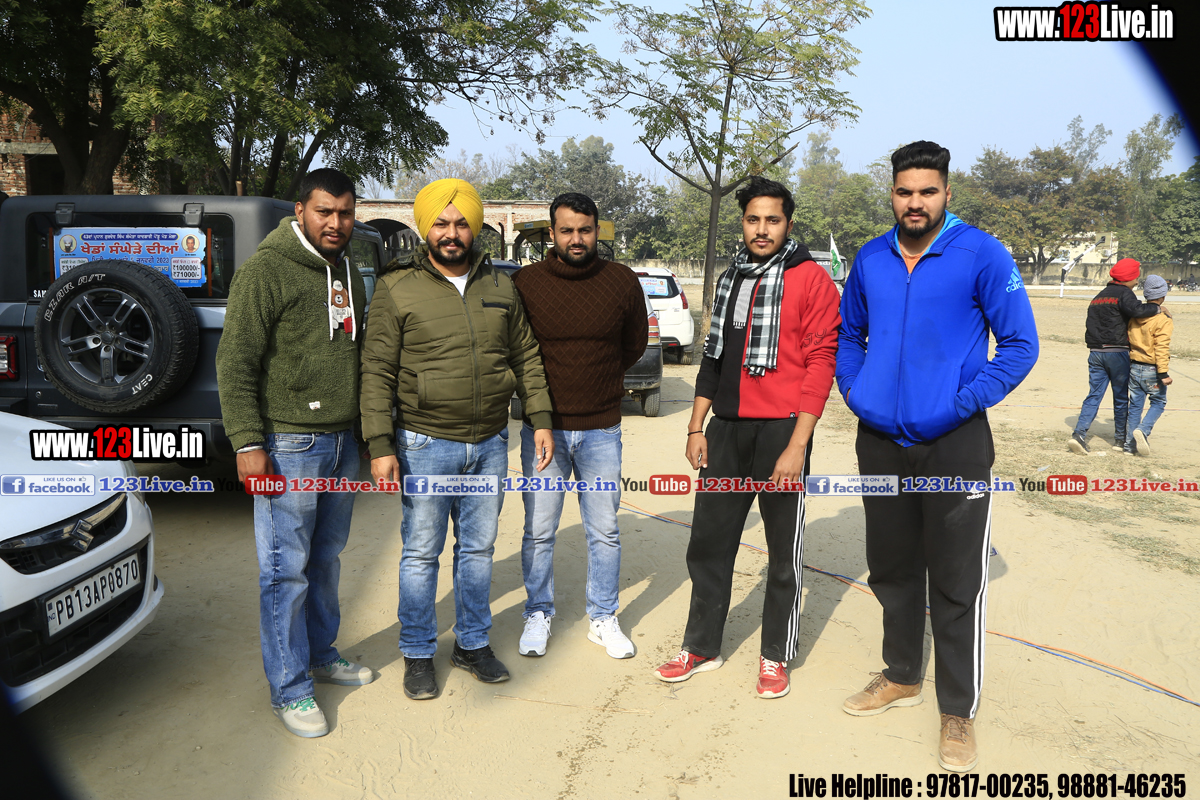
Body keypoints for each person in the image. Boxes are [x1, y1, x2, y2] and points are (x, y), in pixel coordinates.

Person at [836, 141, 1039, 772]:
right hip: (880, 442)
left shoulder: (981, 253)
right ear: (892, 194)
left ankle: (957, 709)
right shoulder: (871, 257)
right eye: (904, 191)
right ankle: (901, 675)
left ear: (947, 193)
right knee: (892, 567)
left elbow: (1020, 345)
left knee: (955, 577)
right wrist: (857, 392)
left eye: (927, 191)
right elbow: (848, 335)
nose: (915, 202)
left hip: (955, 442)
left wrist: (960, 402)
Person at [359, 178, 555, 701]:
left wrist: (540, 417)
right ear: (427, 228)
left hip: (489, 443)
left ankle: (472, 644)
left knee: (477, 551)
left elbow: (526, 355)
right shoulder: (397, 288)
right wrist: (380, 444)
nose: (451, 233)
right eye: (442, 223)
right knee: (421, 554)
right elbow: (376, 371)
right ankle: (418, 652)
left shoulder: (500, 286)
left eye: (461, 223)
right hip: (425, 444)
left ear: (476, 228)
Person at [652, 176, 840, 699]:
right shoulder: (731, 277)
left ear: (788, 224)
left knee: (782, 554)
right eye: (753, 219)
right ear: (743, 223)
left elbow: (822, 363)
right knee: (708, 544)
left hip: (782, 433)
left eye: (772, 220)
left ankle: (775, 655)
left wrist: (797, 445)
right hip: (726, 432)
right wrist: (696, 426)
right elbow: (713, 358)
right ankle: (701, 647)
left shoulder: (811, 280)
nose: (762, 229)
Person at [215, 168, 372, 739]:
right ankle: (289, 687)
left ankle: (321, 654)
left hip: (341, 442)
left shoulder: (348, 270)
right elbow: (235, 362)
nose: (336, 223)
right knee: (285, 572)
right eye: (325, 211)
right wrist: (248, 442)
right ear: (300, 210)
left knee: (325, 561)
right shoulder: (265, 271)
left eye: (345, 212)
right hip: (288, 444)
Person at [510, 192, 648, 660]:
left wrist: (599, 383)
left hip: (602, 430)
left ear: (596, 232)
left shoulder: (622, 281)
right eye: (566, 230)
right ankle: (538, 612)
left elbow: (633, 345)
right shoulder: (526, 283)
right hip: (543, 431)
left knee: (604, 530)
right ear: (551, 233)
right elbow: (518, 353)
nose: (576, 239)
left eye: (584, 230)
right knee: (539, 530)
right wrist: (541, 413)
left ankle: (603, 616)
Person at [1067, 258, 1166, 455]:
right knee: (1120, 397)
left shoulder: (1099, 296)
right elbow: (1137, 310)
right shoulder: (1124, 293)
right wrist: (1157, 308)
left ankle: (1079, 434)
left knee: (1094, 395)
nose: (1136, 282)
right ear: (1128, 278)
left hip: (1096, 353)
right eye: (1135, 278)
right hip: (1117, 353)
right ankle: (1120, 440)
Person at [1125, 274, 1174, 456]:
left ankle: (1129, 446)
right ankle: (1143, 430)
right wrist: (1163, 373)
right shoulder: (1163, 319)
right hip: (1152, 369)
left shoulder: (1134, 317)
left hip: (1134, 366)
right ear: (1163, 296)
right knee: (1158, 402)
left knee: (1135, 406)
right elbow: (1161, 347)